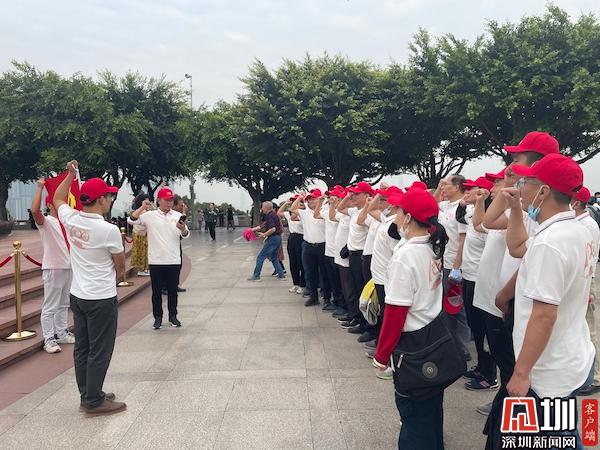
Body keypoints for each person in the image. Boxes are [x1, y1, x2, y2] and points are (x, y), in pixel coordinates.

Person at [486, 153, 595, 449]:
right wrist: (516, 208)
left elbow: (544, 315)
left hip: (547, 368)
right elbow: (517, 247)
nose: (521, 188)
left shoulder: (550, 243)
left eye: (527, 183)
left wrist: (521, 373)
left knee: (554, 438)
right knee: (563, 432)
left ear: (544, 191)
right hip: (567, 355)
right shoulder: (574, 230)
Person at [373, 189, 456, 450]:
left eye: (399, 211)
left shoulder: (405, 256)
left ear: (408, 217)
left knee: (414, 417)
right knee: (431, 409)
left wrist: (381, 355)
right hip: (433, 335)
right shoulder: (433, 246)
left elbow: (395, 313)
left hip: (413, 346)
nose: (395, 215)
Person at [53, 160, 127, 416]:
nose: (110, 200)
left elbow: (57, 198)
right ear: (101, 200)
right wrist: (117, 277)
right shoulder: (108, 230)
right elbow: (120, 264)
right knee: (100, 349)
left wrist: (69, 175)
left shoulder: (71, 218)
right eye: (108, 196)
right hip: (101, 297)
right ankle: (94, 400)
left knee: (83, 348)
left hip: (79, 295)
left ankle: (88, 392)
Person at [129, 187, 190, 329]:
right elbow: (131, 220)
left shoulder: (177, 215)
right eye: (166, 200)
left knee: (172, 291)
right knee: (156, 292)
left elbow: (186, 234)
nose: (169, 203)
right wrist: (142, 207)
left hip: (173, 260)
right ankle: (158, 317)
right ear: (159, 200)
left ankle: (173, 316)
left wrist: (182, 229)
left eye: (171, 200)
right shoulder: (150, 216)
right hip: (156, 260)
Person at [31, 178, 74, 354]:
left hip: (68, 267)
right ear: (50, 205)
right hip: (54, 267)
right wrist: (40, 188)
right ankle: (48, 338)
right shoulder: (47, 222)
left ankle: (62, 332)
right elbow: (35, 211)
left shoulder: (67, 223)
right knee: (50, 306)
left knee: (64, 304)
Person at [434, 174, 471, 362]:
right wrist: (439, 187)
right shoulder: (446, 206)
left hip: (456, 266)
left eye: (446, 184)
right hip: (444, 262)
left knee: (457, 309)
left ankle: (462, 349)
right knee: (447, 309)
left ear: (457, 187)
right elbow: (432, 205)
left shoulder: (462, 208)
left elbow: (463, 239)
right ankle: (451, 346)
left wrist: (457, 266)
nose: (443, 187)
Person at [571, 187, 600, 395]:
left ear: (576, 203)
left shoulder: (588, 225)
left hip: (586, 281)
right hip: (580, 281)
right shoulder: (578, 223)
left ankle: (595, 377)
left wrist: (587, 289)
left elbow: (589, 257)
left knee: (589, 331)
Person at [336, 181, 374, 334]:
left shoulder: (369, 213)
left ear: (366, 195)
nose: (354, 197)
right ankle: (358, 319)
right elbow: (339, 208)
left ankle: (366, 325)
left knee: (362, 290)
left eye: (357, 194)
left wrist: (367, 204)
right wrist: (348, 195)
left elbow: (361, 221)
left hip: (361, 255)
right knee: (356, 289)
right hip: (352, 255)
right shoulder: (353, 211)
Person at [291, 189, 328, 306]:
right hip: (308, 246)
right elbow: (292, 209)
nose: (311, 201)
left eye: (314, 199)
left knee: (324, 273)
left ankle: (326, 297)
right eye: (309, 199)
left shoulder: (324, 210)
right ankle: (313, 297)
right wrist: (299, 198)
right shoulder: (305, 212)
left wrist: (323, 200)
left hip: (322, 245)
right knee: (310, 273)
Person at [247, 201, 286, 281]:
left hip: (273, 239)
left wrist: (264, 234)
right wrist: (253, 229)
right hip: (277, 238)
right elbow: (264, 224)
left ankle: (256, 276)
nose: (261, 209)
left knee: (260, 257)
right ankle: (281, 275)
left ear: (266, 208)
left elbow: (273, 229)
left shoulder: (270, 216)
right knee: (274, 258)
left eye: (262, 207)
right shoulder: (273, 214)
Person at [278, 195, 306, 294]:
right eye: (294, 201)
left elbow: (294, 218)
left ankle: (303, 285)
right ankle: (295, 283)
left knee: (301, 262)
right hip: (292, 238)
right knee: (293, 263)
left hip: (301, 238)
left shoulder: (303, 214)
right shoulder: (288, 214)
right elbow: (279, 213)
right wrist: (286, 203)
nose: (296, 203)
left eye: (298, 202)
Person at [130, 193, 151, 277]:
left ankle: (144, 268)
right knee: (142, 252)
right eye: (147, 200)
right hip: (140, 234)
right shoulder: (142, 211)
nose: (148, 201)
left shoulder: (142, 211)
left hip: (141, 233)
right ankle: (143, 269)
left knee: (143, 252)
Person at [172, 194, 188, 293]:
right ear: (174, 205)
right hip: (169, 244)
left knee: (179, 264)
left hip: (177, 242)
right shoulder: (171, 215)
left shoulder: (177, 215)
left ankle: (175, 284)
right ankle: (166, 286)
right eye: (180, 205)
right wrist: (184, 213)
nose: (182, 207)